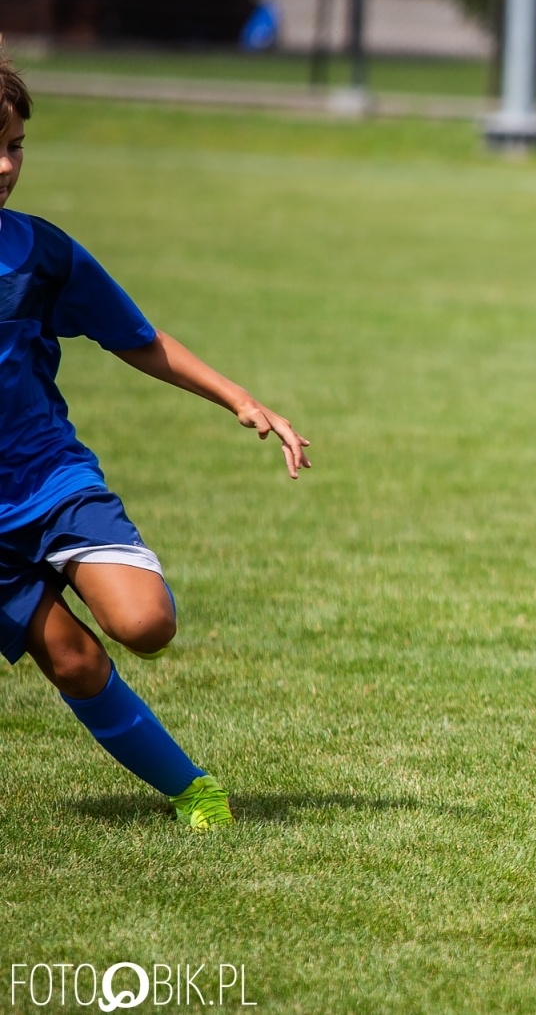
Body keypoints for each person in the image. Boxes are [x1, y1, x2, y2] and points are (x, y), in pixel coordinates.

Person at [0, 52, 311, 830]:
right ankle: (192, 788)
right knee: (71, 657)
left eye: (16, 146)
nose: (7, 164)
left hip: (53, 482)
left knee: (146, 623)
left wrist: (239, 398)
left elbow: (135, 336)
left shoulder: (40, 252)